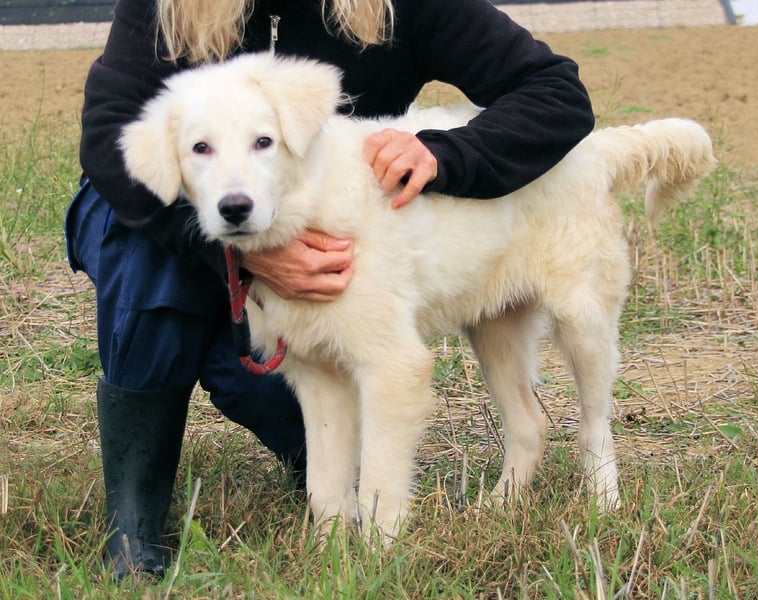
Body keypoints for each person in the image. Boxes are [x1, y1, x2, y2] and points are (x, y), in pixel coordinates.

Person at [65, 0, 595, 579]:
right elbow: (108, 135)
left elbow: (556, 93)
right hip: (169, 225)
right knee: (145, 264)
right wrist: (243, 257)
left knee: (298, 402)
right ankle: (134, 515)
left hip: (327, 235)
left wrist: (446, 153)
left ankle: (329, 492)